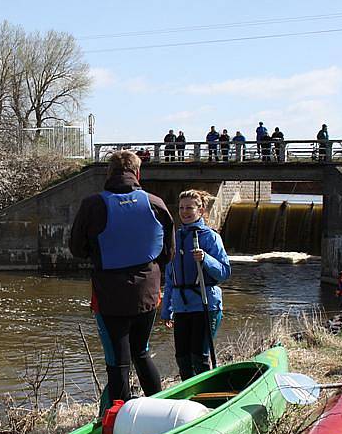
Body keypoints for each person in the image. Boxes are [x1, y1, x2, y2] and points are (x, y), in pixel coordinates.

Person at [69, 150, 175, 411]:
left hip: (110, 295)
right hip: (148, 294)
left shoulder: (92, 205)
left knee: (118, 361)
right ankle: (159, 410)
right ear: (137, 174)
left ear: (109, 173)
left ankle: (119, 420)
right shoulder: (156, 203)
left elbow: (77, 249)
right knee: (141, 352)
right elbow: (168, 254)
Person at [161, 190, 231, 380]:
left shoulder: (210, 237)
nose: (184, 212)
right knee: (182, 358)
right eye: (182, 208)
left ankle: (207, 398)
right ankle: (188, 399)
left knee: (198, 357)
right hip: (181, 307)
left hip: (205, 304)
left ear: (200, 210)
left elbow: (224, 272)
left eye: (190, 208)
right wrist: (166, 309)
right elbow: (170, 278)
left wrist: (206, 259)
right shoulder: (175, 238)